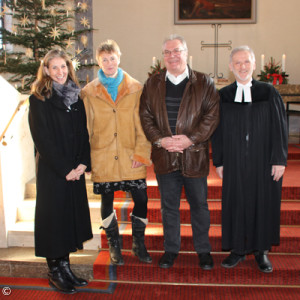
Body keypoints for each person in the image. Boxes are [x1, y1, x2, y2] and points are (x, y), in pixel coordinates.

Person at [139, 34, 219, 270]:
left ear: (186, 52)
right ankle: (171, 249)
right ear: (163, 56)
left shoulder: (204, 82)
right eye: (167, 52)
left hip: (194, 156)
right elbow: (145, 116)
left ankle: (203, 250)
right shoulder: (152, 83)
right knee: (169, 207)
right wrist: (160, 140)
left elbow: (211, 117)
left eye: (177, 51)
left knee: (200, 206)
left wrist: (190, 139)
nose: (172, 56)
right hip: (165, 156)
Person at [211, 46, 288, 273]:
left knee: (262, 202)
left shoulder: (268, 92)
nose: (242, 67)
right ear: (230, 66)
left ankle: (261, 251)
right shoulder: (223, 95)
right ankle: (237, 249)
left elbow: (280, 128)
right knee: (236, 201)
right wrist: (220, 161)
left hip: (264, 160)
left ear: (254, 65)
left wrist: (279, 160)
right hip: (234, 160)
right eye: (237, 63)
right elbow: (217, 131)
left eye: (246, 62)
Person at [81, 40, 152, 266]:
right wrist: (86, 159)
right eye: (104, 59)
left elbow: (144, 124)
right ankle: (114, 244)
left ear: (119, 58)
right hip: (103, 155)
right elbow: (85, 128)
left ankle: (138, 243)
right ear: (98, 61)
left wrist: (141, 153)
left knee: (141, 198)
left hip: (131, 154)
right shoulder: (89, 92)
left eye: (112, 58)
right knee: (106, 199)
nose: (109, 63)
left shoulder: (136, 88)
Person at [28, 49, 93, 294]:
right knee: (54, 221)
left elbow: (82, 133)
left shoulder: (75, 96)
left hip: (74, 171)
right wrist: (65, 169)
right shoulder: (38, 99)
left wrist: (83, 163)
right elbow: (42, 140)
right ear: (46, 70)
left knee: (68, 221)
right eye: (54, 67)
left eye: (63, 67)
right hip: (54, 173)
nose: (60, 72)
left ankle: (66, 268)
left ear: (69, 68)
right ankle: (54, 271)